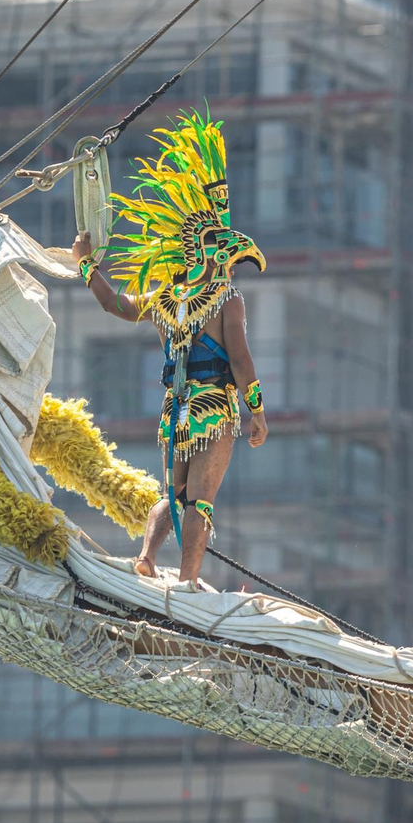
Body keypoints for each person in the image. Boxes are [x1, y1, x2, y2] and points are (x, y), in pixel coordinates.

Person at [71, 111, 268, 584]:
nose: (235, 264)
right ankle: (188, 581)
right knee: (200, 499)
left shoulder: (162, 298)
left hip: (174, 411)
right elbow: (239, 359)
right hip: (213, 409)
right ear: (209, 252)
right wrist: (257, 410)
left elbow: (112, 303)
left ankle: (146, 557)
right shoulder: (226, 300)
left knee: (172, 494)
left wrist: (84, 265)